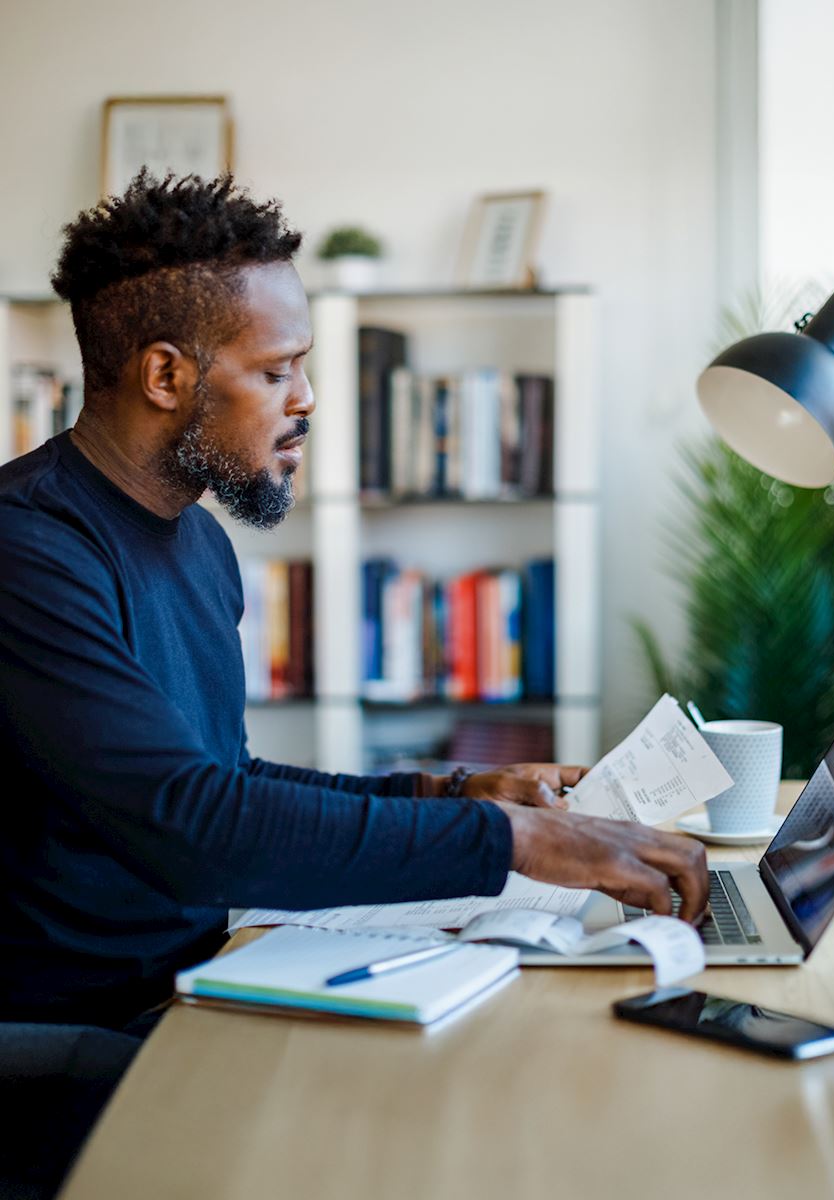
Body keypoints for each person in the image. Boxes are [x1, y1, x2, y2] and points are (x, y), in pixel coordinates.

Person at [0, 171, 706, 1189]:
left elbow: (226, 778)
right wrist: (516, 839)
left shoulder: (195, 542)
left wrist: (453, 790)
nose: (307, 399)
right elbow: (196, 827)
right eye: (278, 368)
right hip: (78, 1032)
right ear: (164, 374)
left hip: (199, 983)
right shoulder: (29, 551)